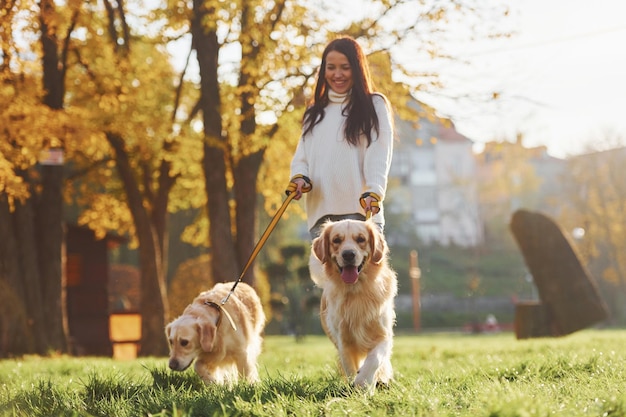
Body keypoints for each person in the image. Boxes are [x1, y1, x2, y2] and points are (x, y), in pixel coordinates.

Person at [286, 36, 394, 239]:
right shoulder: (314, 112)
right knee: (324, 272)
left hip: (362, 211)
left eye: (345, 67)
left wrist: (374, 191)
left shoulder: (374, 105)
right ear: (323, 70)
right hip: (321, 215)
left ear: (357, 68)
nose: (337, 74)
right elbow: (302, 158)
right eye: (331, 67)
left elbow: (379, 153)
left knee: (365, 271)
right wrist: (299, 177)